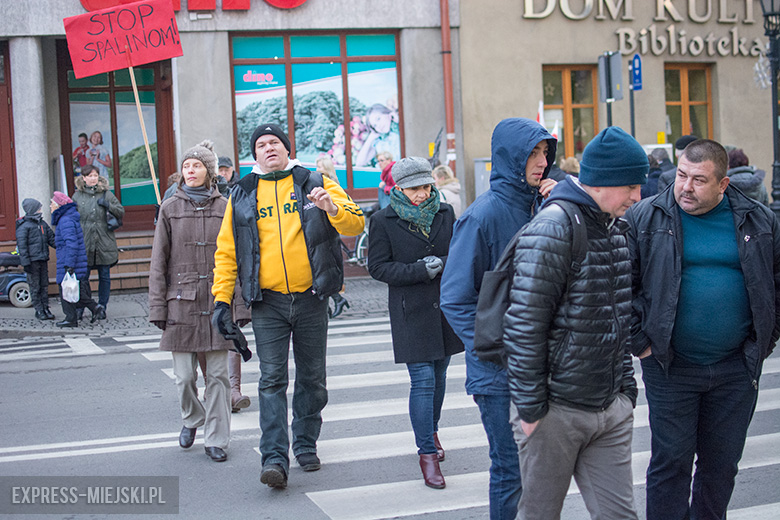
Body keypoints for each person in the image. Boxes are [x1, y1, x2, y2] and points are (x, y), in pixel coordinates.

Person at [625, 138, 780, 520]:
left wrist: (764, 339)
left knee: (721, 466)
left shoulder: (759, 220)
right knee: (671, 463)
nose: (686, 187)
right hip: (670, 366)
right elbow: (618, 286)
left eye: (698, 180)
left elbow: (775, 285)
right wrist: (641, 343)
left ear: (723, 184)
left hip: (735, 369)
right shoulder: (646, 217)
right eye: (681, 175)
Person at [212, 123, 365, 489]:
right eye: (261, 145)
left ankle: (306, 443)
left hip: (311, 298)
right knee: (271, 380)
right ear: (255, 154)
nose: (269, 148)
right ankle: (274, 458)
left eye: (275, 142)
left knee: (312, 378)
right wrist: (221, 299)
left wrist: (331, 208)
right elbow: (227, 252)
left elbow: (356, 222)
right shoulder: (242, 192)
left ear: (286, 148)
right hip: (268, 303)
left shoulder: (314, 181)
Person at [504, 126, 646, 520]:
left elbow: (616, 316)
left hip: (609, 407)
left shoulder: (615, 229)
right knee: (540, 515)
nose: (638, 196)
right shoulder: (554, 227)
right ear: (601, 182)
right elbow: (524, 326)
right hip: (556, 411)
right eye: (631, 186)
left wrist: (625, 392)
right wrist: (532, 412)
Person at [440, 117, 557, 520]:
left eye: (545, 152)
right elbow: (455, 298)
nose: (542, 162)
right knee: (511, 471)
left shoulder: (544, 206)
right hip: (499, 373)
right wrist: (494, 348)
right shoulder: (482, 216)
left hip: (542, 364)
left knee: (537, 470)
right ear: (511, 157)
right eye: (533, 153)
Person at [149, 141, 250, 463]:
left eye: (197, 166)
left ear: (210, 172)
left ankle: (216, 438)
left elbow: (240, 259)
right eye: (186, 166)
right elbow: (158, 261)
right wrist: (157, 306)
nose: (190, 171)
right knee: (184, 377)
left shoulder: (226, 207)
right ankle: (192, 417)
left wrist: (240, 306)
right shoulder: (169, 208)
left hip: (219, 301)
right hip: (181, 302)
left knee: (219, 376)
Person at [367, 157, 464, 489]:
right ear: (399, 189)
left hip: (445, 308)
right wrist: (420, 270)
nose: (422, 194)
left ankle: (431, 430)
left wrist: (444, 262)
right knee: (422, 380)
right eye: (414, 189)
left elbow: (461, 251)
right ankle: (427, 455)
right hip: (411, 311)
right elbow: (378, 267)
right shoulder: (383, 220)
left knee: (440, 375)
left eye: (425, 187)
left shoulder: (445, 212)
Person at [72, 165, 124, 314]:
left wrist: (108, 205)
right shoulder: (77, 196)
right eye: (90, 176)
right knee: (83, 277)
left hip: (104, 241)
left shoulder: (106, 194)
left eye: (95, 175)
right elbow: (72, 216)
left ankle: (102, 306)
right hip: (85, 242)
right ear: (84, 178)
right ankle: (83, 306)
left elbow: (120, 211)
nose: (93, 178)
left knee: (104, 276)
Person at [50, 191, 103, 328]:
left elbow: (71, 244)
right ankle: (93, 308)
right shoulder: (67, 218)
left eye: (52, 203)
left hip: (69, 260)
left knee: (66, 289)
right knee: (72, 289)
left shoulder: (65, 221)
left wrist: (69, 264)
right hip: (71, 259)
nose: (50, 206)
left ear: (59, 205)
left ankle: (72, 318)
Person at [316, 155, 350, 319]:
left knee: (325, 268)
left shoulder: (329, 184)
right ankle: (334, 301)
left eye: (320, 166)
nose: (317, 169)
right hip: (322, 229)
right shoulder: (318, 182)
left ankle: (334, 300)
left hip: (327, 229)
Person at [15, 198, 55, 320]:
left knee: (44, 285)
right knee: (35, 286)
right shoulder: (24, 226)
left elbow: (52, 239)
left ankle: (45, 308)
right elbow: (22, 247)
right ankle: (39, 310)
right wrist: (25, 263)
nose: (40, 210)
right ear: (32, 209)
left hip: (42, 259)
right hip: (32, 261)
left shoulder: (42, 224)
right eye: (38, 208)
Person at [355, 104, 401, 168]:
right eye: (375, 125)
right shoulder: (379, 143)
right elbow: (360, 163)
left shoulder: (400, 132)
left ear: (388, 114)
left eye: (378, 119)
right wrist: (371, 137)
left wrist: (399, 121)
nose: (378, 125)